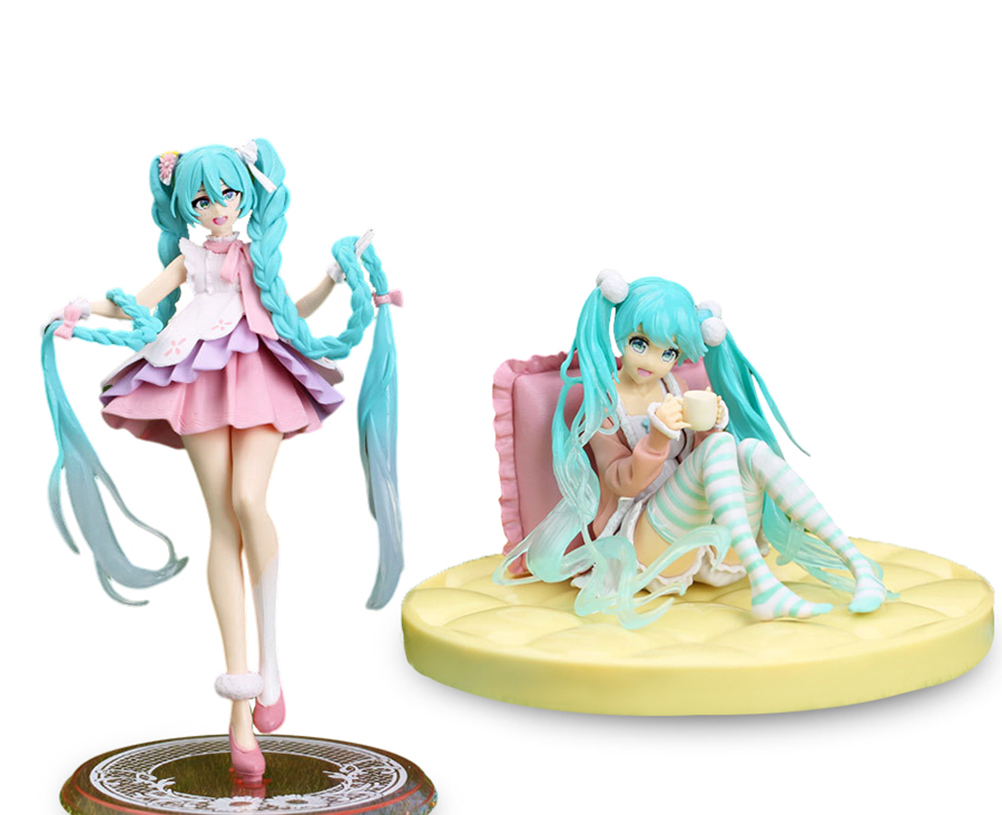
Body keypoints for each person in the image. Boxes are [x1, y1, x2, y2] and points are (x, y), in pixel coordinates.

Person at [41, 139, 402, 782]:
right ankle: (240, 706)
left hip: (258, 371)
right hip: (197, 373)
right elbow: (140, 300)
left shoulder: (253, 254)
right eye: (202, 198)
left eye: (227, 194)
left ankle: (272, 661)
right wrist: (82, 309)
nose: (216, 207)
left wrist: (335, 278)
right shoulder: (190, 256)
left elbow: (290, 311)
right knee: (222, 524)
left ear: (246, 195)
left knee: (247, 500)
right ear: (185, 204)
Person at [496, 270, 887, 629]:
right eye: (640, 344)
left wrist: (711, 423)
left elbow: (696, 463)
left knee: (748, 449)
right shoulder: (603, 404)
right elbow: (621, 482)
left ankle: (858, 566)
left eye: (667, 353)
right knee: (721, 445)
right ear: (622, 337)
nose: (652, 361)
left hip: (709, 542)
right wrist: (657, 438)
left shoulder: (675, 388)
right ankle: (764, 583)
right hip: (642, 544)